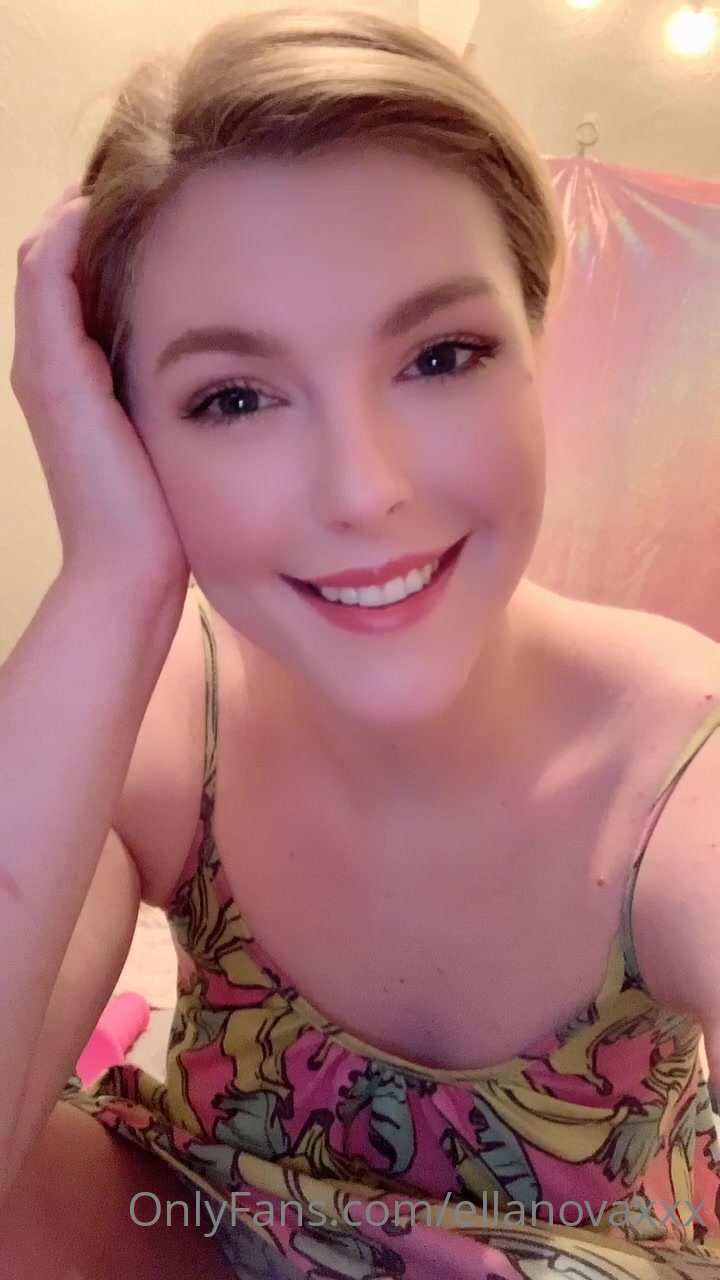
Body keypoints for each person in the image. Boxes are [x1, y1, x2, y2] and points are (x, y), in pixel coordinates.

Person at [1, 7, 719, 1278]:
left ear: (534, 347)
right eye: (234, 396)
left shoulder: (679, 769)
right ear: (127, 431)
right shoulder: (157, 722)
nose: (364, 488)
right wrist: (110, 577)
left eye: (441, 355)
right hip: (209, 1233)